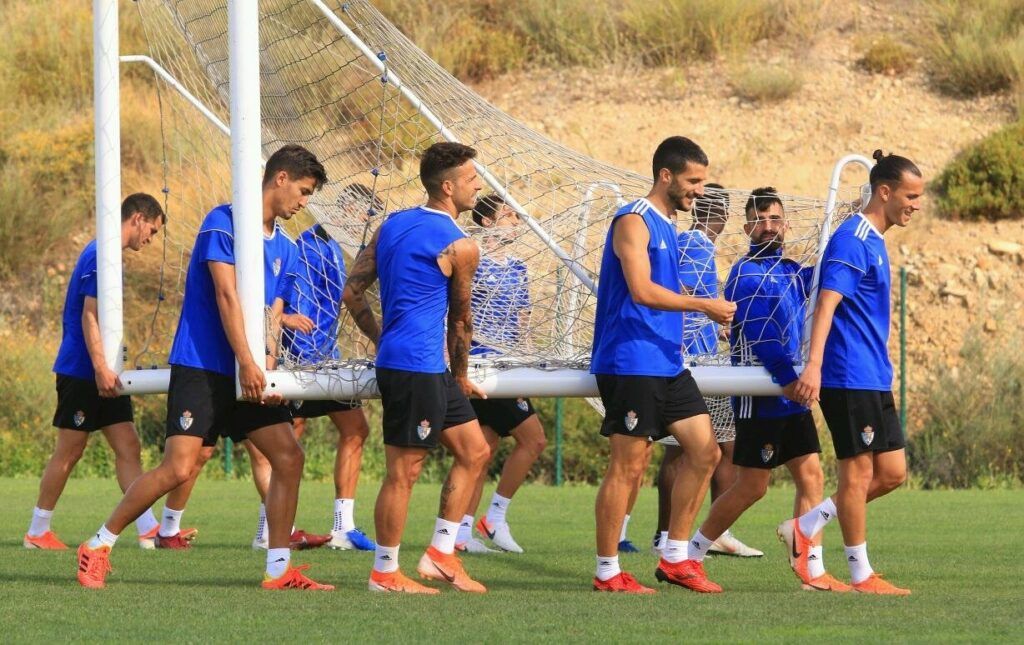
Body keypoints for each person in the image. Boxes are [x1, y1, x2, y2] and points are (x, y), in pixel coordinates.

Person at [76, 145, 333, 591]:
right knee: (178, 469)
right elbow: (225, 295)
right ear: (281, 178)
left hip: (250, 373)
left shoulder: (288, 250)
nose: (304, 202)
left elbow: (273, 316)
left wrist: (266, 370)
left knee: (289, 458)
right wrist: (249, 363)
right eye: (304, 191)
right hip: (203, 365)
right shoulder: (222, 221)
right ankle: (97, 544)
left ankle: (278, 570)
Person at [676, 187, 848, 592]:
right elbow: (761, 336)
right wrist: (788, 380)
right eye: (760, 219)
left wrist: (846, 224)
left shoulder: (789, 269)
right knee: (752, 486)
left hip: (790, 393)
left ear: (786, 223)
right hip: (763, 393)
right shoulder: (745, 273)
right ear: (747, 225)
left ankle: (812, 568)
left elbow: (822, 280)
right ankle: (691, 555)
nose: (768, 226)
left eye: (775, 218)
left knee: (811, 476)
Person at [343, 142, 491, 594]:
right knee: (403, 472)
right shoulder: (460, 246)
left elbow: (352, 292)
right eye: (471, 179)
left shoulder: (392, 224)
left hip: (417, 364)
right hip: (419, 368)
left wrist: (383, 338)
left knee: (475, 451)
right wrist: (462, 374)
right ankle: (384, 574)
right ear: (447, 187)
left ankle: (439, 556)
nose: (479, 185)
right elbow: (461, 320)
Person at [590, 136, 735, 594]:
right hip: (631, 360)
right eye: (693, 181)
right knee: (628, 467)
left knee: (705, 451)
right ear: (666, 176)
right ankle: (607, 570)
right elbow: (640, 290)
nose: (699, 191)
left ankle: (675, 558)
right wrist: (704, 306)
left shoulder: (670, 226)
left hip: (666, 362)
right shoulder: (634, 220)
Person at [787, 151, 922, 596]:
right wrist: (814, 365)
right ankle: (862, 574)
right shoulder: (852, 238)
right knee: (857, 476)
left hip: (873, 375)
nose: (916, 205)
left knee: (893, 473)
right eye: (910, 195)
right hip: (847, 375)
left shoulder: (876, 241)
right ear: (884, 192)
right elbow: (827, 304)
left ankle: (806, 525)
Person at [26, 194, 185, 551]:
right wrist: (99, 367)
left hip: (104, 372)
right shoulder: (101, 255)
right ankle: (37, 531)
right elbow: (89, 315)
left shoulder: (108, 255)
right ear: (139, 218)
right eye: (153, 230)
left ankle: (147, 528)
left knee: (128, 444)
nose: (151, 238)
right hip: (83, 372)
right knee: (69, 451)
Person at [649, 184, 761, 558]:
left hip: (692, 355)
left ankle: (666, 536)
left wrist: (715, 325)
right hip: (699, 362)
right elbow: (681, 291)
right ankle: (711, 533)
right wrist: (705, 319)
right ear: (725, 216)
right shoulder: (697, 245)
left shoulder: (688, 241)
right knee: (725, 449)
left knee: (679, 452)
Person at [280, 184, 383, 552]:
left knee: (356, 429)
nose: (367, 226)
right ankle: (272, 528)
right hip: (303, 362)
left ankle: (343, 527)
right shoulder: (309, 246)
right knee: (283, 442)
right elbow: (299, 306)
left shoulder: (335, 251)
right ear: (347, 212)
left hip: (327, 359)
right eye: (366, 217)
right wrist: (302, 358)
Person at [450, 194, 547, 555]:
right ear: (488, 222)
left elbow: (523, 322)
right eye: (509, 216)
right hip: (479, 366)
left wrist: (532, 357)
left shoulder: (519, 266)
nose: (517, 223)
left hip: (509, 370)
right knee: (533, 440)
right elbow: (457, 311)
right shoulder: (472, 259)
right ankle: (494, 517)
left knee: (484, 450)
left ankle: (461, 533)